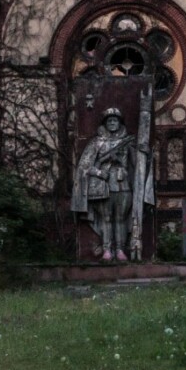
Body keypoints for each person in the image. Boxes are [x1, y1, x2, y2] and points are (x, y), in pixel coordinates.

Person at [72, 107, 152, 261]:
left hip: (123, 184)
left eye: (115, 120)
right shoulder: (97, 142)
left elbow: (138, 165)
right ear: (105, 123)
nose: (113, 123)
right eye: (110, 121)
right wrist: (100, 173)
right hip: (103, 185)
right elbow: (84, 166)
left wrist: (146, 154)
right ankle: (107, 250)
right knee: (106, 219)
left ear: (120, 123)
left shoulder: (127, 142)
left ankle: (120, 249)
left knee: (121, 218)